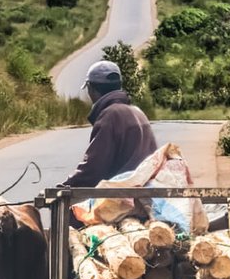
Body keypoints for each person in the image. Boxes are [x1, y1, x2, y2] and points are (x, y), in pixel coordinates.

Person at [59, 60, 158, 188]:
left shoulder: (110, 115)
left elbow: (93, 168)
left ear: (91, 89)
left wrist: (65, 186)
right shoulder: (137, 112)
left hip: (123, 193)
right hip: (143, 186)